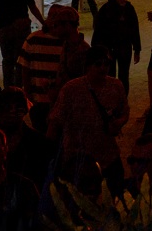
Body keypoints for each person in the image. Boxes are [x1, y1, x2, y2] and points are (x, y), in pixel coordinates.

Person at [49, 46, 129, 189]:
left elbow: (124, 111)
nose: (103, 68)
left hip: (108, 155)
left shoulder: (116, 86)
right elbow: (55, 121)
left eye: (106, 64)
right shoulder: (71, 89)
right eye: (98, 64)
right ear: (88, 66)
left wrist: (119, 122)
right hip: (78, 158)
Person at [91, 0, 142, 95]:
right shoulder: (113, 9)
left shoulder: (112, 8)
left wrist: (137, 49)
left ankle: (120, 97)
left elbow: (134, 30)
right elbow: (99, 30)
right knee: (114, 75)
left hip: (121, 48)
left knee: (121, 75)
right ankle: (116, 97)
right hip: (113, 48)